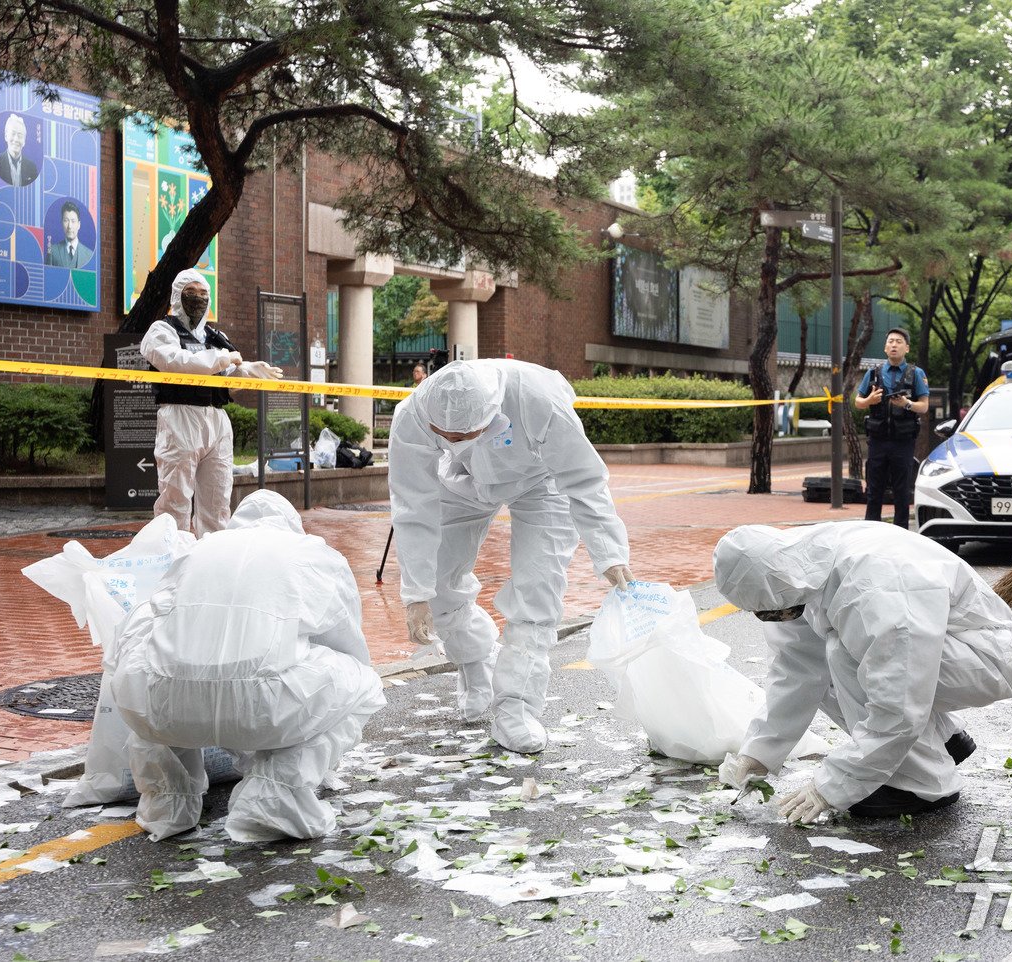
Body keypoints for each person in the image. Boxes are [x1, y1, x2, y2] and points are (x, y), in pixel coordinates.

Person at [110, 491, 386, 842]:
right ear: (291, 526)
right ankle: (275, 795)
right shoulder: (312, 553)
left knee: (157, 664)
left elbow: (153, 616)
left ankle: (168, 803)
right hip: (262, 707)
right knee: (362, 684)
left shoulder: (198, 549)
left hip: (161, 707)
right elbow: (344, 640)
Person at [389, 359, 633, 754]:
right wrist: (416, 591)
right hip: (461, 483)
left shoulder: (539, 398)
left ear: (491, 416)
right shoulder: (412, 413)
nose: (453, 439)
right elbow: (413, 503)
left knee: (537, 593)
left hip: (541, 482)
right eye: (444, 435)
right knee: (438, 588)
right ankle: (474, 662)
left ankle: (517, 708)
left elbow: (583, 477)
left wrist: (609, 551)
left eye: (466, 433)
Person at [713, 522, 1012, 821]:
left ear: (783, 582)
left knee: (841, 654)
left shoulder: (873, 585)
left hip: (987, 657)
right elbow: (796, 670)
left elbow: (899, 698)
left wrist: (833, 786)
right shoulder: (798, 569)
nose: (774, 616)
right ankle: (945, 740)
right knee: (836, 653)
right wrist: (757, 755)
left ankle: (921, 784)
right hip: (940, 651)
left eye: (773, 610)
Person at [140, 269, 282, 537]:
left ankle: (212, 563)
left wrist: (246, 370)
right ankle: (174, 563)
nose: (198, 299)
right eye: (191, 293)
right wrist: (222, 359)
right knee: (175, 500)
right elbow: (175, 362)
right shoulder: (162, 330)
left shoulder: (215, 337)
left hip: (216, 421)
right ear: (177, 296)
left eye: (204, 294)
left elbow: (226, 381)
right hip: (180, 418)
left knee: (218, 502)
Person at [854, 328, 929, 527]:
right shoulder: (873, 372)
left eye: (898, 341)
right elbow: (858, 402)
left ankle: (901, 534)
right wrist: (869, 399)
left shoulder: (916, 373)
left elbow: (924, 405)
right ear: (885, 347)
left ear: (907, 348)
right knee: (874, 491)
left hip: (903, 442)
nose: (894, 345)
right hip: (878, 441)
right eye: (890, 341)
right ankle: (871, 531)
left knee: (902, 492)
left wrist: (906, 404)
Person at [0, 114, 38, 187]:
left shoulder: (32, 168)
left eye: (20, 135)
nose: (16, 139)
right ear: (6, 136)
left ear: (24, 141)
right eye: (13, 134)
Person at [45, 200, 92, 268]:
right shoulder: (53, 251)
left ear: (79, 225)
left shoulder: (89, 255)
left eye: (73, 221)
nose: (69, 226)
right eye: (66, 221)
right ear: (62, 223)